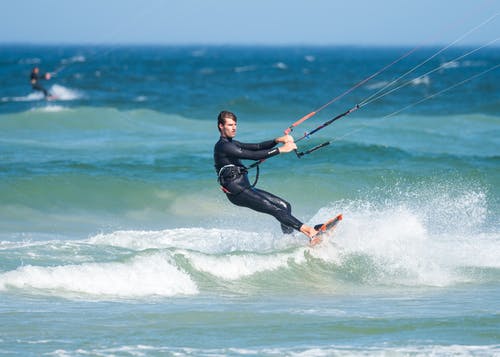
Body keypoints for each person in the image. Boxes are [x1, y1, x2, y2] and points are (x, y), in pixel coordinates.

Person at [214, 110, 322, 244]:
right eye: (230, 125)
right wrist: (281, 149)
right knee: (275, 210)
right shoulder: (223, 146)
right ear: (221, 126)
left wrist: (277, 140)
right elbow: (253, 155)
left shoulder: (233, 143)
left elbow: (257, 147)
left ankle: (289, 240)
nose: (234, 128)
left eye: (235, 124)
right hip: (237, 192)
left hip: (245, 188)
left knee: (285, 206)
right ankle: (310, 232)